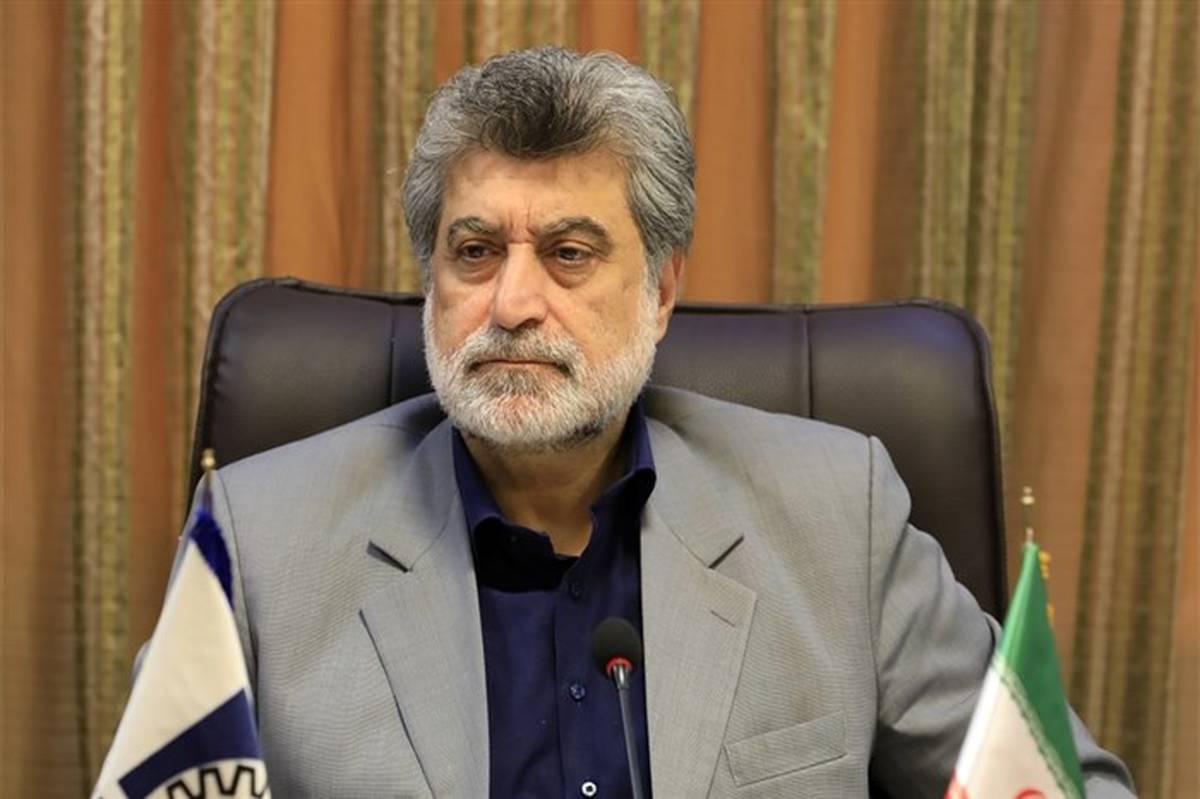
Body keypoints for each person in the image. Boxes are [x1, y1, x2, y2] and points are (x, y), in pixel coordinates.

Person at [190, 47, 1133, 797]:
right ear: (432, 280)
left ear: (662, 289)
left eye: (569, 253)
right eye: (474, 252)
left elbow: (1057, 787)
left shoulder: (839, 519)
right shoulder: (258, 545)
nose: (511, 303)